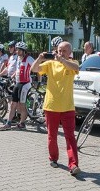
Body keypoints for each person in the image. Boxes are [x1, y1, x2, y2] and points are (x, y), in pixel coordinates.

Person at [32, 40, 80, 176]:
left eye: (64, 50)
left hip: (67, 107)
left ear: (70, 52)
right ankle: (53, 158)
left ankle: (73, 164)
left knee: (70, 137)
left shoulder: (73, 63)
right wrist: (39, 58)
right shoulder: (50, 63)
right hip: (51, 106)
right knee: (52, 136)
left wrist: (63, 60)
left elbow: (75, 68)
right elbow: (34, 69)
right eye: (59, 50)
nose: (61, 53)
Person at [0, 42, 34, 131]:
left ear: (23, 51)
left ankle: (22, 123)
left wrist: (39, 80)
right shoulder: (18, 59)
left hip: (26, 84)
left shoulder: (29, 59)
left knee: (22, 105)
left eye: (19, 50)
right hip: (18, 83)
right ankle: (8, 123)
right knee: (13, 104)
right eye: (16, 49)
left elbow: (37, 68)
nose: (17, 51)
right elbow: (17, 70)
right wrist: (12, 77)